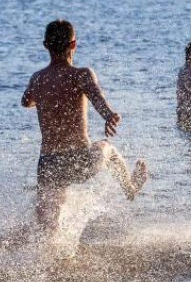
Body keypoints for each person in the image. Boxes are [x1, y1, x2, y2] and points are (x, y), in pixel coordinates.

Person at [22, 20, 148, 232]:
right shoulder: (80, 74)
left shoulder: (37, 79)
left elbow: (26, 102)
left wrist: (44, 93)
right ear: (74, 45)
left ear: (45, 45)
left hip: (48, 165)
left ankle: (46, 257)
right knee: (107, 147)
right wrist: (108, 115)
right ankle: (130, 187)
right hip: (80, 159)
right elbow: (96, 97)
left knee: (47, 226)